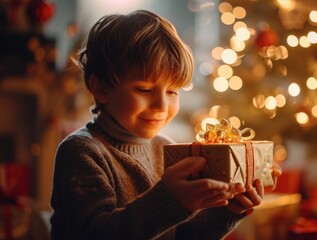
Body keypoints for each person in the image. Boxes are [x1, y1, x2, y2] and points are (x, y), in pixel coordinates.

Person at [50, 9, 281, 240]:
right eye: (144, 89)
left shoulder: (166, 149)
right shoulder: (82, 151)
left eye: (172, 91)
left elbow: (182, 236)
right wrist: (171, 201)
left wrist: (228, 210)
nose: (161, 105)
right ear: (101, 89)